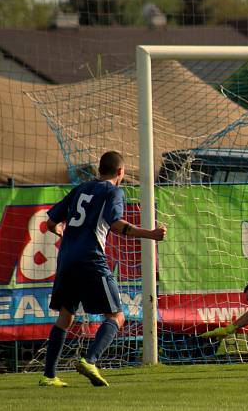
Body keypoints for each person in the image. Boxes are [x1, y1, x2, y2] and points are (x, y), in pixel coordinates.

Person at [39, 151, 167, 388]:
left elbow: (50, 222)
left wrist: (58, 231)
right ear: (120, 172)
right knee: (117, 316)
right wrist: (150, 234)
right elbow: (117, 224)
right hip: (90, 260)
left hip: (67, 260)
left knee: (65, 317)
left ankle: (49, 376)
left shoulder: (80, 188)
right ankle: (90, 360)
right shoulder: (113, 191)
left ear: (100, 170)